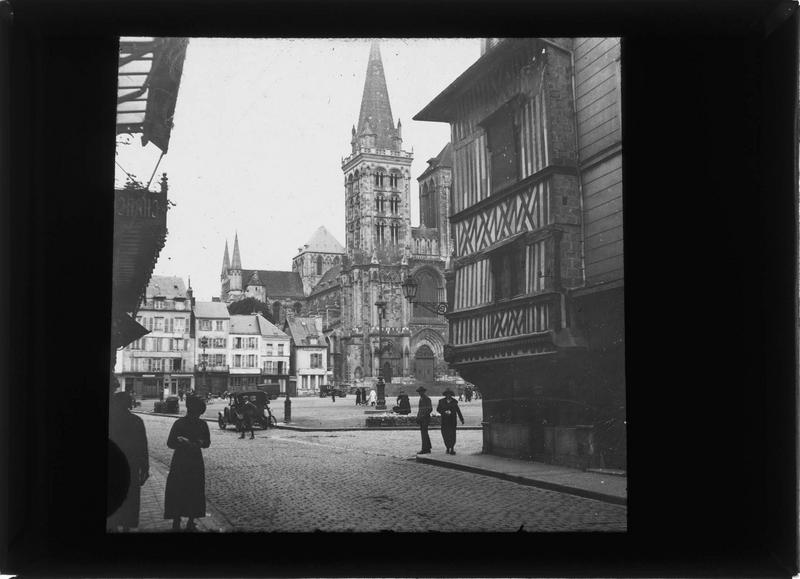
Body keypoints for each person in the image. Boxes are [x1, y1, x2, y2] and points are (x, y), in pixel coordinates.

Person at [164, 395, 210, 531]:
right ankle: (190, 520)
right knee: (193, 489)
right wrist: (196, 443)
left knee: (179, 489)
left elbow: (170, 443)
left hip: (181, 460)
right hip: (193, 460)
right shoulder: (202, 424)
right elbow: (207, 443)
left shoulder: (179, 423)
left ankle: (178, 520)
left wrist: (185, 442)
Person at [107, 390, 149, 532]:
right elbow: (143, 447)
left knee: (113, 495)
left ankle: (113, 525)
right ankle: (126, 527)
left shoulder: (111, 420)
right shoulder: (137, 421)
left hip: (113, 465)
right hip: (131, 465)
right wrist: (145, 469)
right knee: (130, 497)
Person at [437, 388, 465, 455]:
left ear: (451, 395)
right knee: (445, 434)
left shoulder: (454, 402)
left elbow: (458, 411)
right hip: (444, 421)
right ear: (445, 395)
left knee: (452, 435)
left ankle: (452, 448)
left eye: (449, 394)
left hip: (452, 421)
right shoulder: (441, 401)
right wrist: (444, 412)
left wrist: (462, 419)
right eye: (447, 394)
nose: (448, 396)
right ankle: (447, 447)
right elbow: (438, 409)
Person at [415, 386, 433, 454]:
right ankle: (427, 448)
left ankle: (425, 449)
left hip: (425, 418)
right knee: (424, 433)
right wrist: (418, 417)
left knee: (424, 433)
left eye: (421, 392)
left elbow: (430, 409)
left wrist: (423, 416)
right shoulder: (421, 399)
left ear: (423, 392)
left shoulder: (427, 399)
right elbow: (420, 409)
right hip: (422, 418)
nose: (420, 393)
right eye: (419, 392)